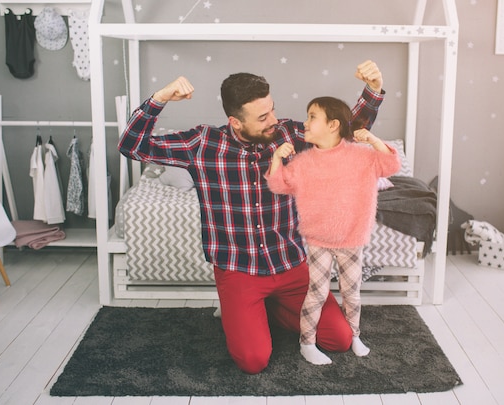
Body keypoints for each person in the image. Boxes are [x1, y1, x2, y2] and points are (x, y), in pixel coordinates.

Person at [118, 60, 385, 374]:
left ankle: (268, 310)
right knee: (253, 361)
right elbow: (131, 145)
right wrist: (159, 98)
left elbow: (345, 132)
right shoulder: (203, 144)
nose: (273, 119)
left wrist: (373, 90)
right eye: (262, 117)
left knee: (339, 339)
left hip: (291, 265)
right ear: (235, 121)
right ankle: (247, 310)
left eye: (272, 109)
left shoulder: (289, 133)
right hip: (239, 271)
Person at [266, 96, 400, 365]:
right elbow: (278, 184)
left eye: (312, 116)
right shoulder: (304, 162)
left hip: (351, 238)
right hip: (318, 239)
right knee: (315, 293)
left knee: (352, 292)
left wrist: (373, 140)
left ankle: (354, 335)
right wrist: (276, 159)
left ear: (333, 125)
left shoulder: (361, 156)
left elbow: (391, 165)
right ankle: (307, 342)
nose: (305, 122)